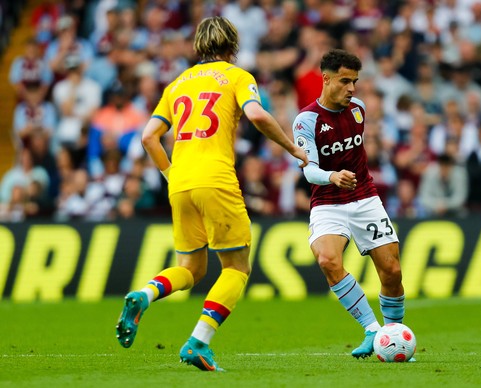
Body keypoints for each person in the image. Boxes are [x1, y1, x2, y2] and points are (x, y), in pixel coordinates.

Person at [115, 16, 308, 372]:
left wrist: (171, 175)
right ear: (232, 47)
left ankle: (144, 294)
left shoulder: (177, 84)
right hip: (216, 178)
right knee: (236, 267)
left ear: (198, 47)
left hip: (180, 183)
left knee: (191, 267)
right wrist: (292, 148)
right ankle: (197, 343)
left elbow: (148, 137)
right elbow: (257, 115)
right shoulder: (238, 76)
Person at [292, 49, 411, 361]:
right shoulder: (306, 120)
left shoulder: (358, 109)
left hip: (364, 198)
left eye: (355, 81)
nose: (352, 88)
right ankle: (372, 329)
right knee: (328, 260)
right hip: (328, 201)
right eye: (345, 81)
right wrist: (332, 176)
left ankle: (393, 335)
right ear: (327, 79)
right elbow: (309, 169)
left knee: (392, 270)